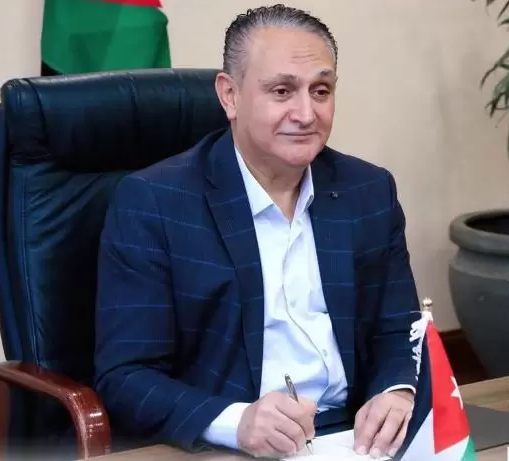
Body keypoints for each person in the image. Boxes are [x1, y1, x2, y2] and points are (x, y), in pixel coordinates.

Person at [94, 4, 421, 459]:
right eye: (282, 91)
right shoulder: (154, 202)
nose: (306, 113)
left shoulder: (367, 190)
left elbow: (399, 329)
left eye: (321, 91)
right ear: (229, 96)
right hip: (227, 446)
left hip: (354, 440)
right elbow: (125, 377)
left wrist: (397, 391)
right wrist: (236, 422)